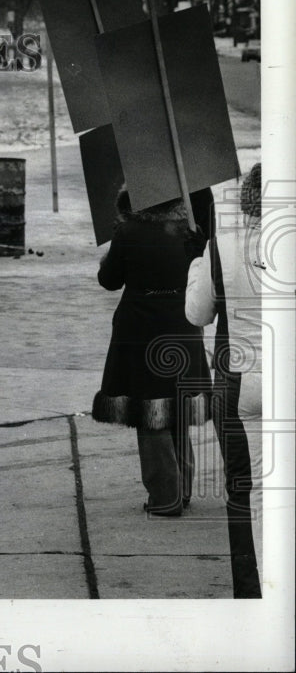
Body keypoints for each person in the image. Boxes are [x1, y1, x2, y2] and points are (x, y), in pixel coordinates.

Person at [92, 187, 211, 517]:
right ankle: (183, 490)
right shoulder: (190, 229)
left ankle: (164, 496)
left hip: (140, 328)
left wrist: (114, 250)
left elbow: (109, 280)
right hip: (183, 323)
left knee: (150, 410)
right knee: (176, 405)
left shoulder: (128, 231)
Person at [186, 165, 263, 597]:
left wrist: (199, 262)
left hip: (239, 382)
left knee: (242, 487)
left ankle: (251, 592)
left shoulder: (223, 246)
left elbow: (196, 314)